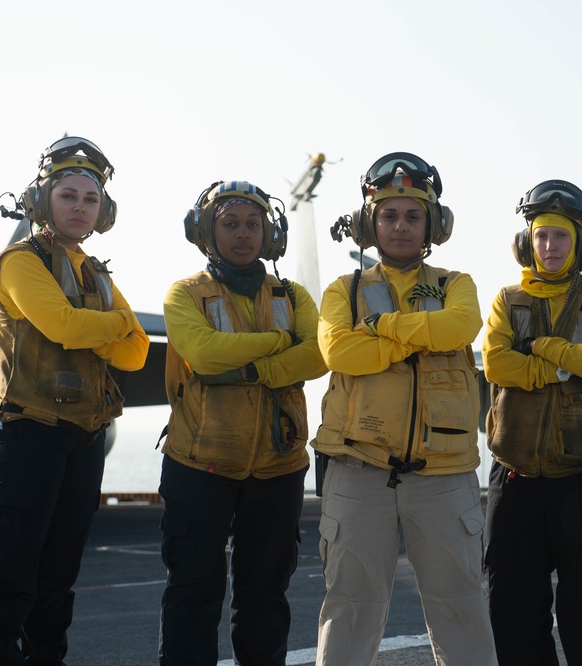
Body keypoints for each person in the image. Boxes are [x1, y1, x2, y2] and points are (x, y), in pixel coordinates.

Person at [0, 137, 149, 665]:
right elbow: (61, 325)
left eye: (90, 200)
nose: (79, 208)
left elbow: (136, 354)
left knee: (59, 579)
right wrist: (114, 324)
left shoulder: (95, 271)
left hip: (82, 438)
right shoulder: (20, 262)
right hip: (28, 433)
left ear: (103, 211)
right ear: (43, 201)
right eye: (68, 195)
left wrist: (109, 329)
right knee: (10, 575)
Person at [311, 152, 497, 666]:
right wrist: (418, 336)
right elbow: (339, 353)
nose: (400, 226)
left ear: (432, 224)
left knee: (460, 607)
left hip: (444, 474)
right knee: (349, 606)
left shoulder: (456, 284)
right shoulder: (341, 291)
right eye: (389, 215)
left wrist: (383, 328)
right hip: (358, 469)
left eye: (413, 216)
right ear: (370, 223)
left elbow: (459, 327)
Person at [158, 180, 326, 665]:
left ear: (269, 235)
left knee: (265, 596)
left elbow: (319, 353)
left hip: (278, 467)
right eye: (230, 224)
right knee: (193, 592)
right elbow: (205, 356)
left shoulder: (292, 294)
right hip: (199, 466)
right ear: (206, 232)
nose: (243, 234)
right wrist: (279, 341)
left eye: (253, 224)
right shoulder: (185, 294)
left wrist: (256, 369)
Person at [482, 180, 582, 665]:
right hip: (516, 482)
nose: (550, 247)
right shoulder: (508, 300)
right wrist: (565, 367)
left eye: (561, 237)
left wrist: (541, 348)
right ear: (527, 242)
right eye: (542, 236)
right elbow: (497, 365)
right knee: (513, 617)